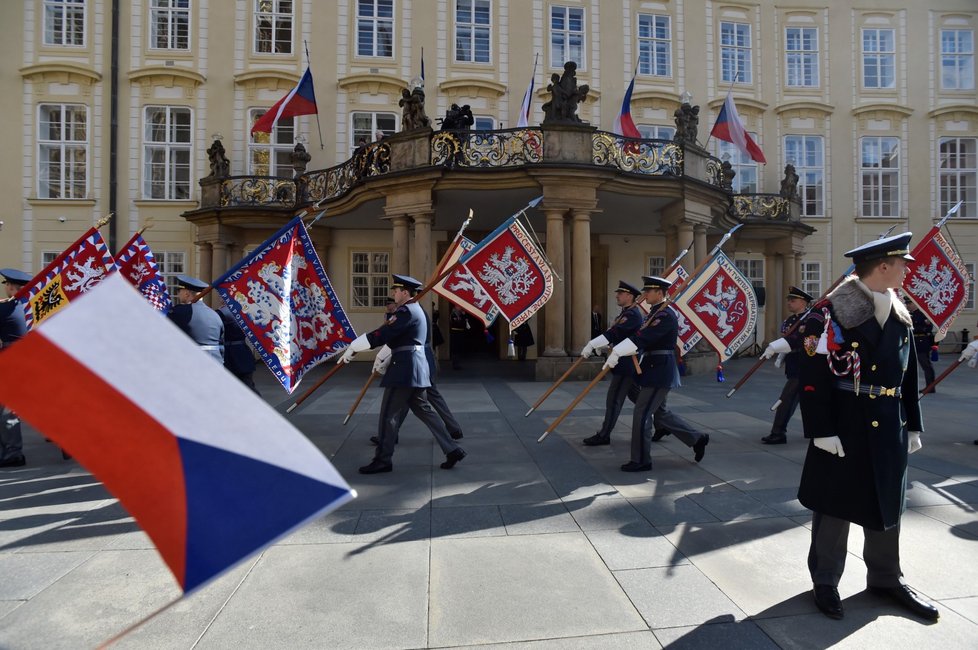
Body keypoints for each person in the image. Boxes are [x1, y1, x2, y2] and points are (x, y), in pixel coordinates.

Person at [797, 232, 939, 622]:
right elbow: (811, 375)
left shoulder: (900, 313)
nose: (909, 270)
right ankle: (825, 581)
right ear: (882, 267)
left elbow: (907, 375)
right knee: (834, 505)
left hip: (889, 421)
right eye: (903, 264)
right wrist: (820, 429)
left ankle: (886, 578)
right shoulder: (827, 315)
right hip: (845, 422)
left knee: (886, 502)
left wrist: (913, 424)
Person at [341, 274, 466, 474]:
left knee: (388, 415)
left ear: (405, 292)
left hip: (405, 369)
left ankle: (383, 460)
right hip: (414, 368)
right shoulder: (415, 310)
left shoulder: (406, 311)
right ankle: (452, 449)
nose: (393, 293)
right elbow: (398, 340)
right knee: (424, 410)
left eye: (396, 291)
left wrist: (355, 346)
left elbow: (384, 334)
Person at [604, 276, 709, 471]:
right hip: (652, 367)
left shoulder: (664, 316)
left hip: (659, 370)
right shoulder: (653, 314)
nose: (645, 294)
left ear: (659, 293)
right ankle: (697, 438)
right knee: (660, 414)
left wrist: (618, 351)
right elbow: (638, 337)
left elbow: (643, 338)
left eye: (649, 291)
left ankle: (642, 460)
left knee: (642, 413)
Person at [580, 281, 644, 446]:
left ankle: (604, 434)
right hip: (622, 363)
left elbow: (615, 333)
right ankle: (662, 422)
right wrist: (605, 345)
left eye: (620, 293)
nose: (617, 295)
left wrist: (593, 344)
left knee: (614, 399)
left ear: (629, 296)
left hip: (626, 365)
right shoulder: (624, 314)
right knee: (642, 399)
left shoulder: (632, 315)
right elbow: (616, 336)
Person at [758, 286, 821, 444]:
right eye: (788, 300)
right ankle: (817, 432)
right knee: (805, 402)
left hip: (807, 366)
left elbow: (805, 343)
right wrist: (781, 356)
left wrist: (777, 347)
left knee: (787, 399)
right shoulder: (790, 321)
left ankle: (778, 432)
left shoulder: (811, 320)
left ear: (804, 302)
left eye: (793, 300)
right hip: (794, 367)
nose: (789, 303)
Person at [0, 268, 30, 468]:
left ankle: (13, 454)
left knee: (7, 410)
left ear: (11, 287)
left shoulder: (5, 309)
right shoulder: (26, 306)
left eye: (7, 285)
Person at [167, 275, 225, 363]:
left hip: (193, 363)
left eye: (179, 291)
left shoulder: (179, 312)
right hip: (216, 364)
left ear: (187, 293)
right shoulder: (215, 315)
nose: (178, 294)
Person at [217, 299, 258, 393]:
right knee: (248, 385)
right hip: (243, 350)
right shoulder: (244, 311)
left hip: (230, 353)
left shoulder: (222, 312)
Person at [906, 299, 936, 393]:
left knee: (926, 365)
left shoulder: (923, 314)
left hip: (921, 342)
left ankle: (930, 386)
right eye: (907, 304)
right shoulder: (908, 314)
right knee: (909, 366)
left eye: (910, 303)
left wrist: (914, 329)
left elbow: (928, 328)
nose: (908, 305)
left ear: (915, 304)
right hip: (912, 341)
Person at [449, 304, 468, 369]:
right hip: (455, 333)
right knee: (455, 349)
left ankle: (457, 363)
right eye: (459, 306)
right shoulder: (453, 314)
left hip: (460, 332)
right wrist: (463, 317)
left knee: (459, 348)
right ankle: (455, 364)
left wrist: (464, 315)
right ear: (455, 307)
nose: (460, 308)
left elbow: (465, 323)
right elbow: (458, 323)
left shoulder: (461, 314)